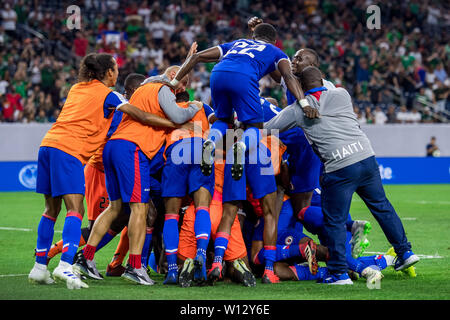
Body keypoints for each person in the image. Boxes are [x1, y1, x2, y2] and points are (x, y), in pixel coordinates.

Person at [169, 22, 316, 284]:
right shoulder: (266, 97)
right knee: (270, 212)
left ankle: (216, 261)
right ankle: (270, 270)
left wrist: (172, 81)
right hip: (258, 156)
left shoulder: (236, 44)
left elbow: (197, 55)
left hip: (223, 111)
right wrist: (303, 101)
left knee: (230, 209)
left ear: (252, 36)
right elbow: (285, 78)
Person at [28, 53, 185, 289]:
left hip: (48, 144)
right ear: (108, 72)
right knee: (78, 210)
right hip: (74, 151)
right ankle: (67, 265)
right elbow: (140, 114)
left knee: (51, 210)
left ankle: (41, 267)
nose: (117, 73)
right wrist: (175, 123)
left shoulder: (76, 88)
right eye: (115, 69)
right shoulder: (110, 95)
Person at [265, 66, 419, 285]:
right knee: (382, 205)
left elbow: (267, 127)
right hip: (366, 158)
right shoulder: (342, 93)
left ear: (298, 87)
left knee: (335, 221)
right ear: (323, 79)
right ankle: (405, 252)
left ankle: (339, 273)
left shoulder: (297, 110)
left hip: (339, 167)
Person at [76, 65, 202, 286]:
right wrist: (194, 107)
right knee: (140, 208)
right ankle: (135, 266)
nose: (183, 89)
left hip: (113, 147)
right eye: (184, 83)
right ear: (172, 77)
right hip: (133, 148)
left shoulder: (144, 88)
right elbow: (178, 115)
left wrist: (190, 58)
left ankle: (85, 258)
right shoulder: (162, 89)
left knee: (115, 208)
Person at [161, 90, 215, 285]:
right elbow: (217, 119)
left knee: (171, 216)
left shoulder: (167, 110)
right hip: (202, 147)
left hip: (176, 150)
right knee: (202, 208)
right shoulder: (202, 106)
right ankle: (201, 253)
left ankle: (173, 269)